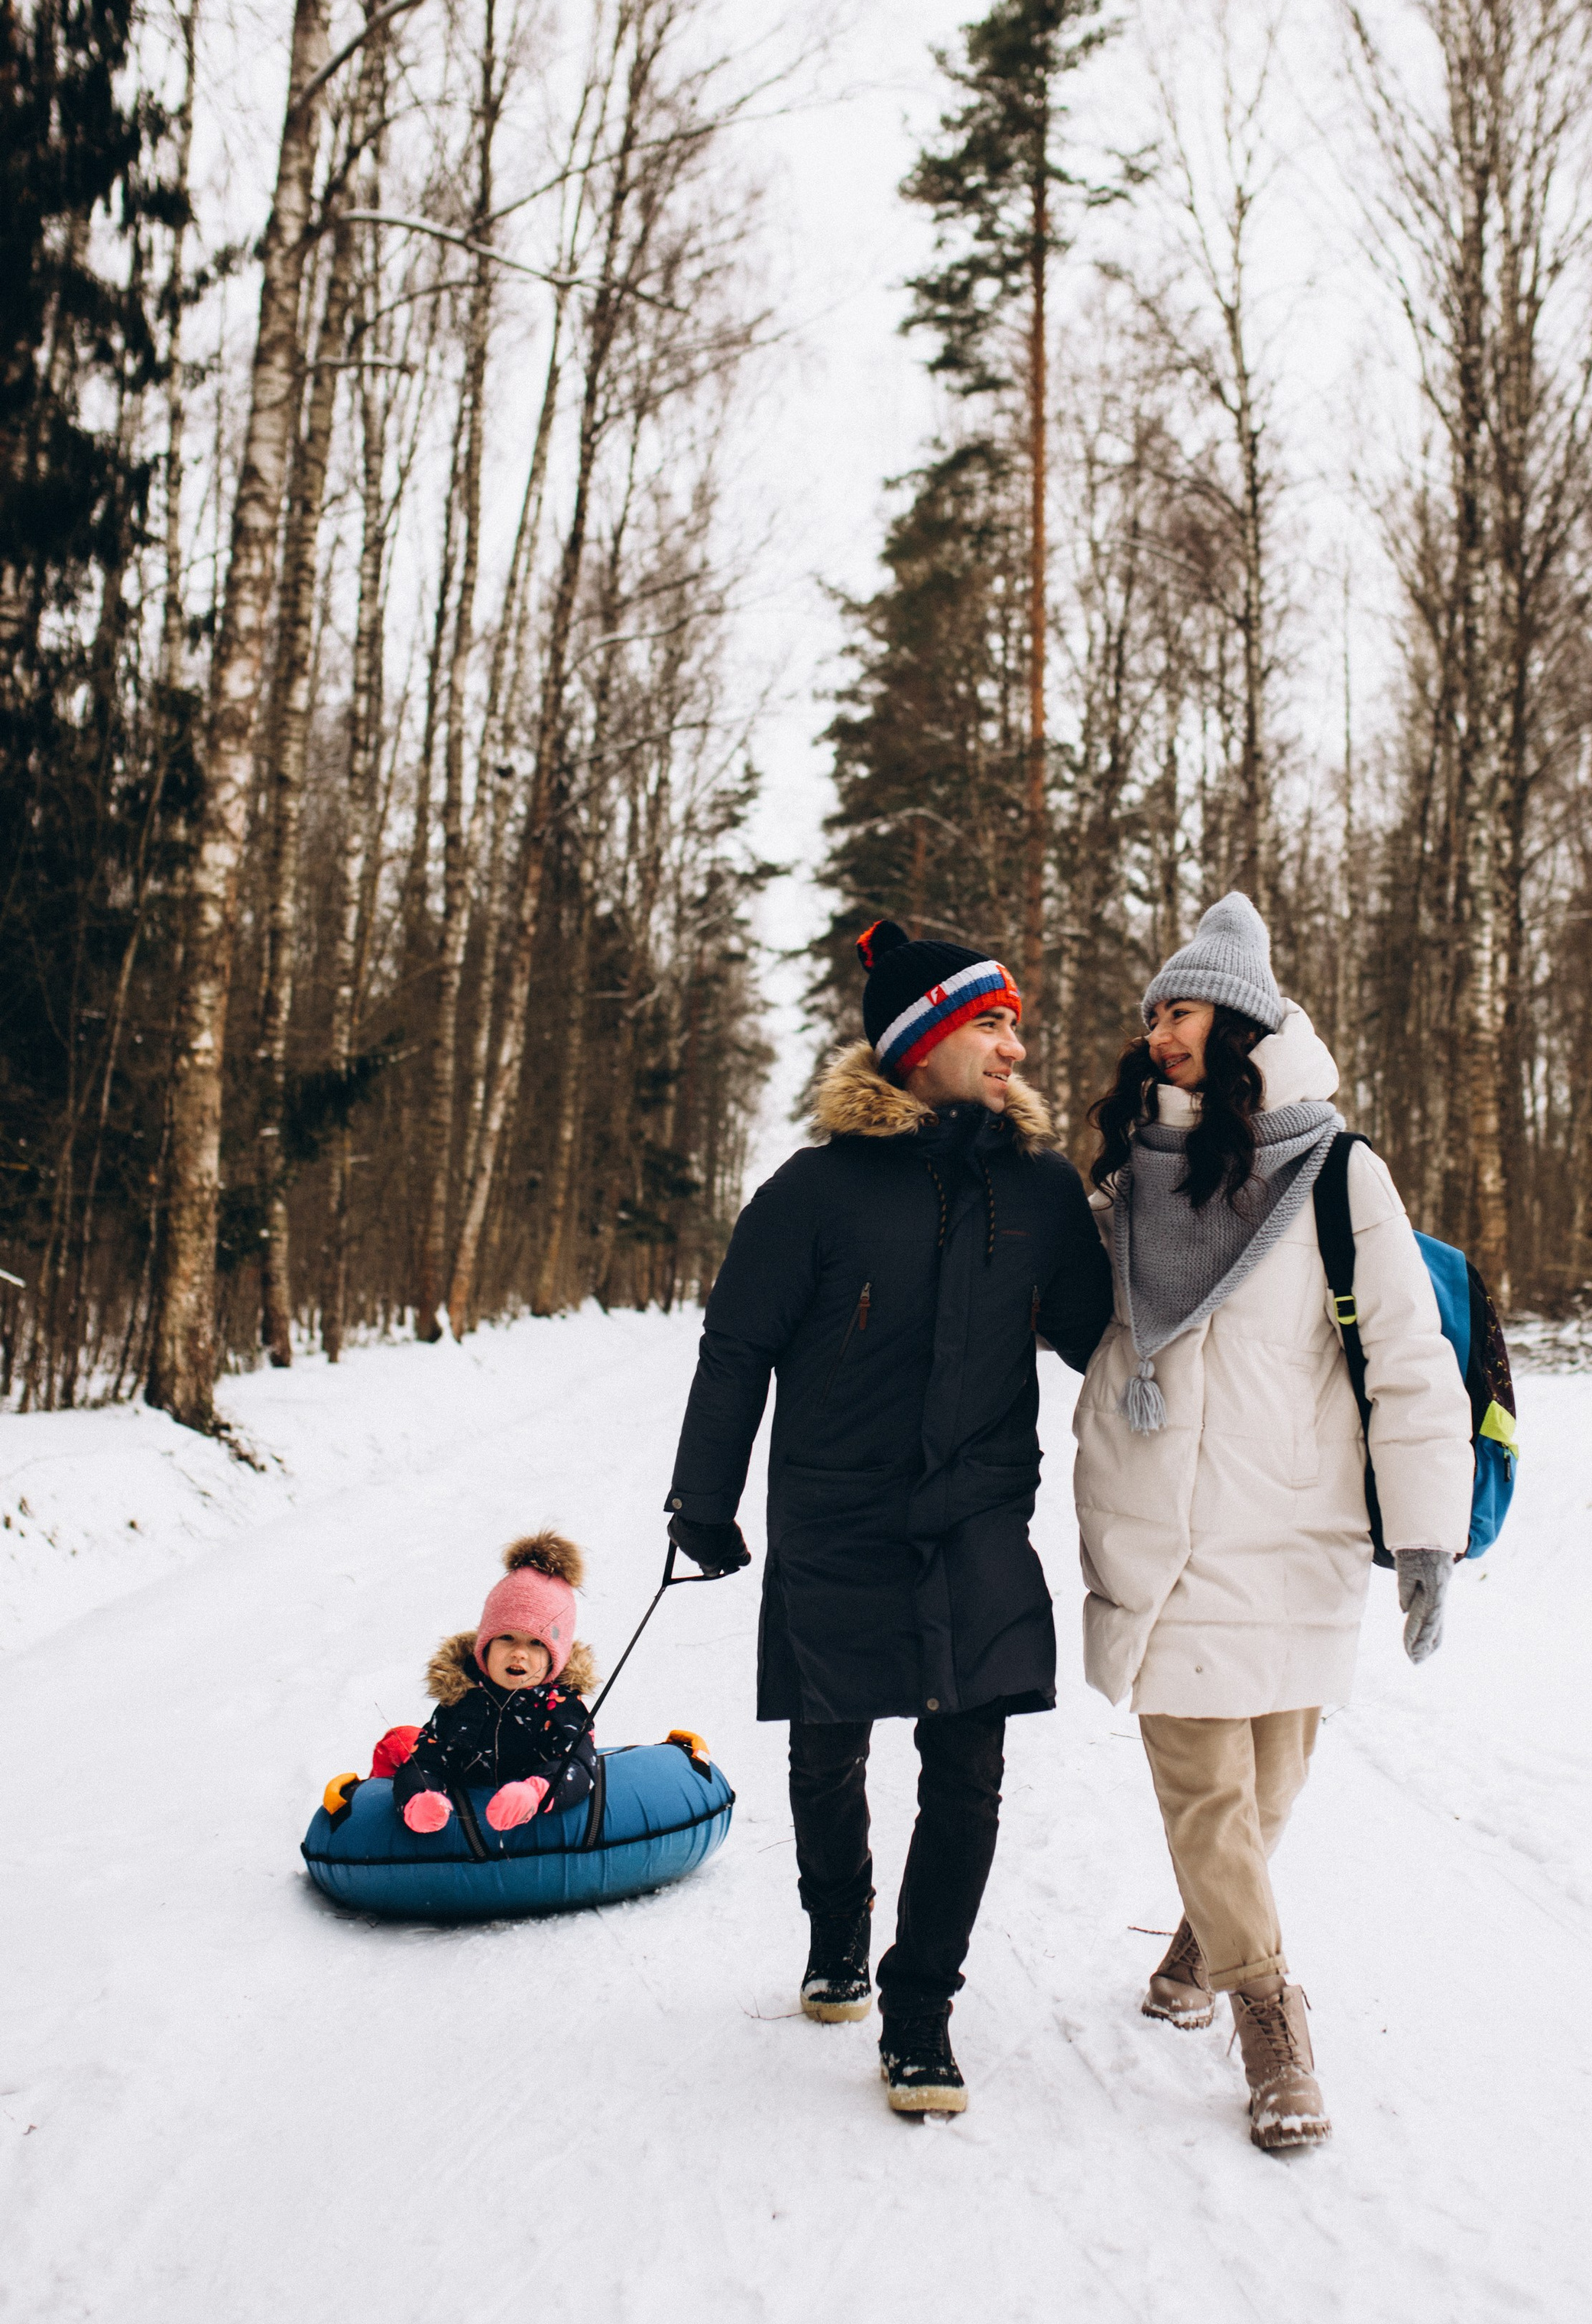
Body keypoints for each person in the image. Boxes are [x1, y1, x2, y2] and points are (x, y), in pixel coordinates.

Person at [665, 920, 1114, 2114]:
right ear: (921, 1044)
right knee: (831, 1738)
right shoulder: (813, 1193)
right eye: (991, 1022)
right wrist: (702, 1501)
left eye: (1016, 1021)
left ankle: (921, 2016)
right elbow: (737, 1350)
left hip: (975, 1517)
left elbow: (1102, 1339)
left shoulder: (1042, 1187)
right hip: (836, 1517)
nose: (1016, 1043)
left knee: (970, 1764)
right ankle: (836, 1933)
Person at [1072, 894, 1470, 2153]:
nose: (1158, 1033)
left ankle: (1208, 1937)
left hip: (1292, 1527)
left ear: (1238, 1022)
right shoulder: (1130, 1173)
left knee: (1267, 1784)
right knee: (1203, 1791)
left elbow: (1408, 1360)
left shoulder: (1341, 1173)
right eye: (1151, 1015)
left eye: (1178, 1009)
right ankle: (1271, 2014)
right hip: (1160, 1526)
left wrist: (1425, 1538)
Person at [391, 1531, 599, 1835]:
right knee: (399, 1746)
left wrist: (535, 1791)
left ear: (556, 1657)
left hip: (528, 1809)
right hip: (464, 1820)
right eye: (507, 1638)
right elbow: (427, 1760)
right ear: (485, 1646)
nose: (519, 1653)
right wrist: (419, 1796)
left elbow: (578, 1765)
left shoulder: (561, 1708)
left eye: (536, 1644)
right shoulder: (462, 1700)